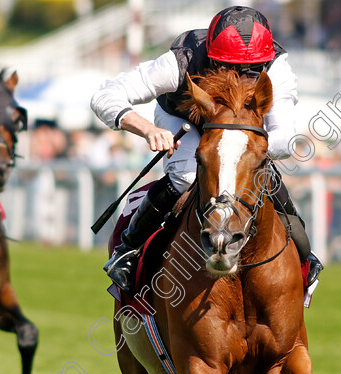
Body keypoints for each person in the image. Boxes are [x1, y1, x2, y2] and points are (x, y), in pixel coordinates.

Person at [90, 5, 323, 294]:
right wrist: (147, 129)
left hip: (243, 132)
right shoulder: (180, 61)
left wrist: (238, 150)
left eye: (250, 70)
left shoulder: (277, 67)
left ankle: (304, 256)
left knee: (258, 172)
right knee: (187, 177)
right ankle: (128, 250)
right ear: (212, 56)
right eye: (229, 67)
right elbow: (105, 96)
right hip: (185, 118)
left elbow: (285, 140)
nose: (240, 76)